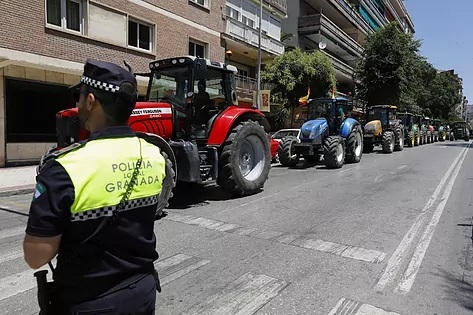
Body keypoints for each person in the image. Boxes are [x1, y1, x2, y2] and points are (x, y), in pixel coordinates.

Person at [23, 59, 167, 314]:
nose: (77, 105)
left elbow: (36, 258)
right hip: (143, 291)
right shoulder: (155, 156)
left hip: (90, 303)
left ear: (90, 101)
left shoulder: (63, 168)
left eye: (79, 98)